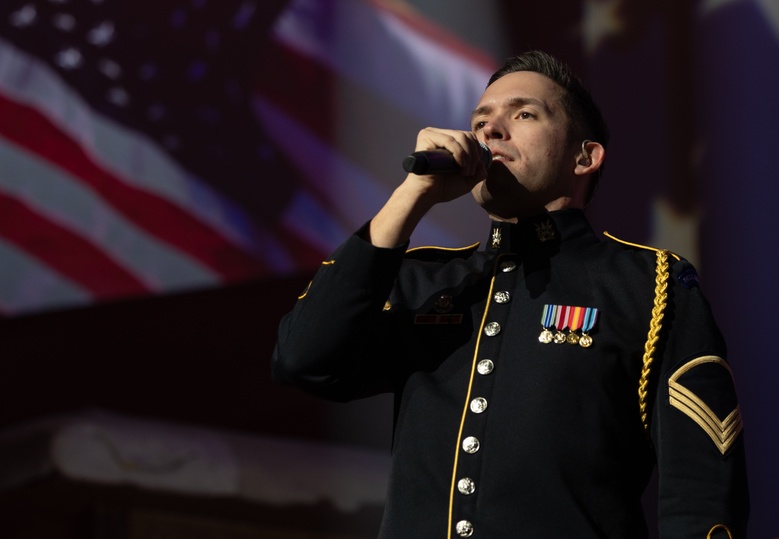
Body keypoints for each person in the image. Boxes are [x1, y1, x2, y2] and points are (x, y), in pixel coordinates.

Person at [272, 50, 749, 538]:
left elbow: (701, 490)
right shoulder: (426, 281)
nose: (491, 131)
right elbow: (303, 358)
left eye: (523, 114)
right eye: (481, 121)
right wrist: (410, 196)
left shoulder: (649, 284)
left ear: (585, 157)